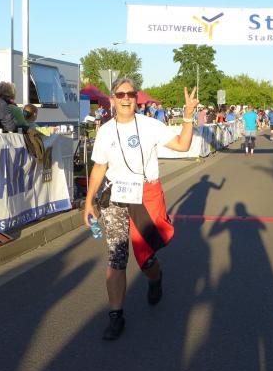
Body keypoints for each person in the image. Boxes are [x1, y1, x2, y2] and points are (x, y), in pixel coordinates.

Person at [83, 78, 199, 340]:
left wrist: (188, 116)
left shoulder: (150, 125)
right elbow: (99, 167)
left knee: (144, 257)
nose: (126, 98)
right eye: (120, 94)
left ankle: (155, 278)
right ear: (112, 100)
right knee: (116, 256)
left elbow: (182, 145)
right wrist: (89, 201)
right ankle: (116, 316)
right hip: (115, 196)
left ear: (136, 98)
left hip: (146, 195)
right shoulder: (105, 131)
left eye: (131, 94)